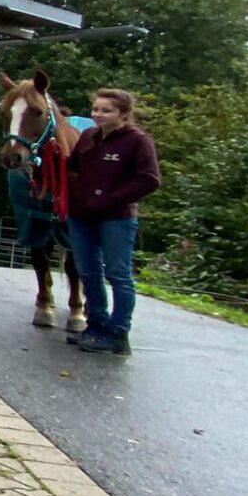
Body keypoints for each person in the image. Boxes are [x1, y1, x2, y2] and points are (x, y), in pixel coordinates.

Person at [65, 88, 160, 356]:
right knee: (88, 272)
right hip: (82, 215)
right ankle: (95, 326)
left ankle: (119, 332)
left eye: (106, 110)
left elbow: (150, 179)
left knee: (118, 274)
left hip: (116, 218)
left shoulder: (137, 141)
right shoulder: (88, 136)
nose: (98, 115)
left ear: (123, 113)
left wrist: (111, 199)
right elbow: (72, 167)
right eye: (95, 109)